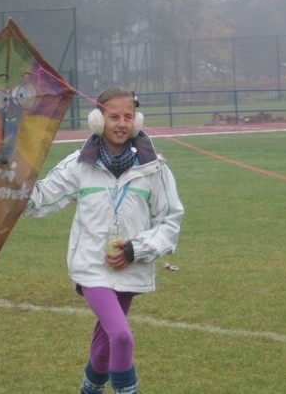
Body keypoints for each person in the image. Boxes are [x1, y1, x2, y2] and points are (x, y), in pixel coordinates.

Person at [22, 87, 184, 394]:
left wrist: (137, 249)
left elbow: (170, 218)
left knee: (103, 348)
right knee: (121, 336)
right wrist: (11, 179)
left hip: (130, 268)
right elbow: (38, 201)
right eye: (114, 116)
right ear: (98, 120)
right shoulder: (78, 165)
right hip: (91, 268)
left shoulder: (154, 167)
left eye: (128, 116)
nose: (121, 123)